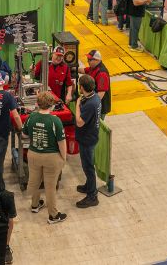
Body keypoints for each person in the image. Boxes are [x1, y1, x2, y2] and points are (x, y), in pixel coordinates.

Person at [21, 91, 68, 223]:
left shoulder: (31, 117)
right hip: (51, 157)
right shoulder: (55, 121)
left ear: (37, 104)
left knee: (35, 180)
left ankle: (35, 205)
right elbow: (61, 142)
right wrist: (63, 159)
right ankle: (53, 215)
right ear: (52, 105)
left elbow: (24, 135)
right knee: (50, 186)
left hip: (33, 155)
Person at [74, 73, 106, 209]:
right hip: (91, 135)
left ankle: (92, 196)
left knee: (88, 167)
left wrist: (77, 104)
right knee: (87, 166)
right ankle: (88, 186)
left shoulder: (89, 104)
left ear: (82, 87)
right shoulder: (94, 97)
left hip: (87, 139)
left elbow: (80, 122)